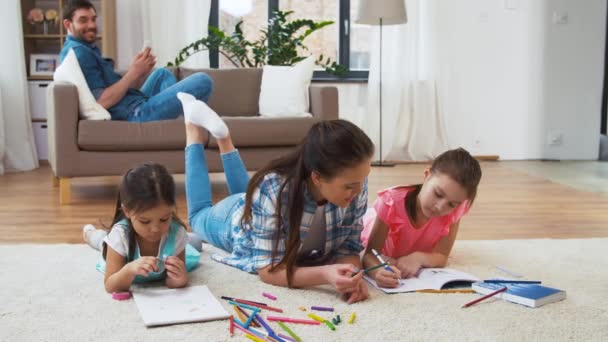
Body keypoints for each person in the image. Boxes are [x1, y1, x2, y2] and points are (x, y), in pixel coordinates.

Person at [177, 92, 375, 304]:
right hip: (231, 220)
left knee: (251, 194)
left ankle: (224, 138)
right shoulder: (273, 190)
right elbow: (269, 271)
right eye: (350, 185)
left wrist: (351, 276)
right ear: (317, 177)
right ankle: (192, 127)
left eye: (363, 180)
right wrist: (325, 274)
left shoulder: (355, 184)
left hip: (259, 205)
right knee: (198, 216)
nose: (359, 190)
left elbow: (348, 248)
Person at [59, 0, 212, 122]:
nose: (91, 25)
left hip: (132, 103)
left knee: (162, 74)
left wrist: (138, 71)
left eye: (93, 19)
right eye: (83, 20)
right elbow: (101, 102)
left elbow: (118, 90)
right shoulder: (80, 53)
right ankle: (180, 123)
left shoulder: (85, 48)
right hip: (135, 113)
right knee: (203, 80)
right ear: (68, 24)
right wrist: (133, 72)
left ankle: (171, 119)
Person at [361, 148, 482, 288]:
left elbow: (442, 256)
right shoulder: (391, 203)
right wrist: (378, 272)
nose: (440, 207)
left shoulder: (455, 210)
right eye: (438, 194)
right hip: (372, 223)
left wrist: (419, 257)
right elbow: (370, 254)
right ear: (427, 175)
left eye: (452, 204)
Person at [82, 163, 202, 293]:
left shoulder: (176, 233)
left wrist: (179, 280)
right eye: (145, 221)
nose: (155, 229)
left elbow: (172, 281)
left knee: (195, 243)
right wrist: (129, 270)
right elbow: (110, 285)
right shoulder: (119, 235)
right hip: (119, 243)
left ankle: (190, 238)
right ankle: (89, 233)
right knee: (102, 241)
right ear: (127, 211)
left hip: (174, 238)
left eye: (164, 219)